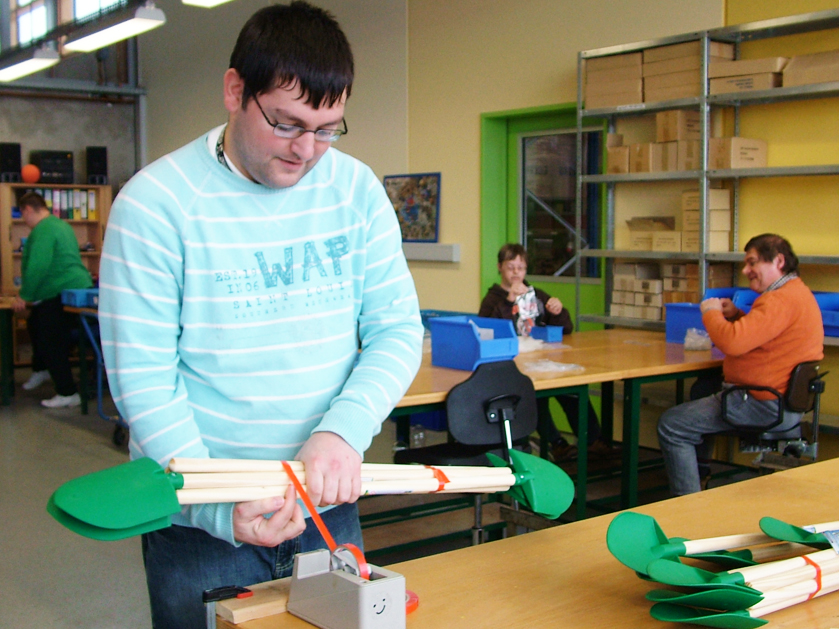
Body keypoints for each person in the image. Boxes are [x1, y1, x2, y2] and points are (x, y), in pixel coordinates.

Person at [97, 3, 423, 627]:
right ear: (234, 90)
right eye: (286, 123)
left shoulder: (355, 192)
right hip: (201, 516)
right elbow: (143, 379)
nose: (307, 151)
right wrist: (220, 506)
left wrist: (343, 431)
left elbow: (396, 330)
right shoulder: (156, 206)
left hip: (329, 502)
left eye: (327, 128)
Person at [657, 234, 823, 496]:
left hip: (761, 403)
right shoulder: (795, 293)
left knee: (672, 425)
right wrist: (736, 315)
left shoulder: (778, 300)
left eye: (752, 263)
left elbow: (733, 343)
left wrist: (710, 312)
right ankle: (699, 474)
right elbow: (766, 335)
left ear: (778, 261)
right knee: (703, 390)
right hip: (782, 402)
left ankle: (686, 507)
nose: (746, 271)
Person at [479, 243, 618, 462]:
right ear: (499, 268)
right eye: (510, 267)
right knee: (535, 397)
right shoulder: (492, 300)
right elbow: (488, 331)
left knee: (571, 389)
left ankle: (592, 439)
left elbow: (565, 329)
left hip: (542, 360)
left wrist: (558, 310)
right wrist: (508, 303)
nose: (516, 273)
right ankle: (556, 443)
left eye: (521, 268)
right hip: (511, 366)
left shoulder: (535, 295)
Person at [14, 191, 92, 408]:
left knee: (51, 340)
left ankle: (68, 392)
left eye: (23, 216)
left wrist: (25, 295)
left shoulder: (43, 229)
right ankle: (42, 369)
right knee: (35, 323)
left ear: (28, 210)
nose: (25, 222)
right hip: (73, 288)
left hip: (61, 291)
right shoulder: (60, 224)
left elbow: (38, 265)